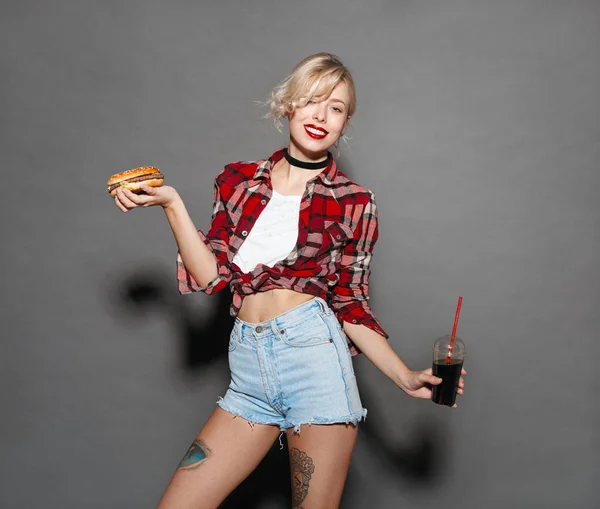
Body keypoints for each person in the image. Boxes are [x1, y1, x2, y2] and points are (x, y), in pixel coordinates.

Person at [113, 52, 466, 509]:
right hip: (248, 374)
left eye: (336, 107)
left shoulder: (354, 202)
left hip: (314, 364)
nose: (321, 115)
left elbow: (349, 304)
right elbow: (211, 277)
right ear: (288, 105)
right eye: (313, 100)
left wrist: (403, 376)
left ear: (345, 122)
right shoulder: (237, 181)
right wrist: (172, 204)